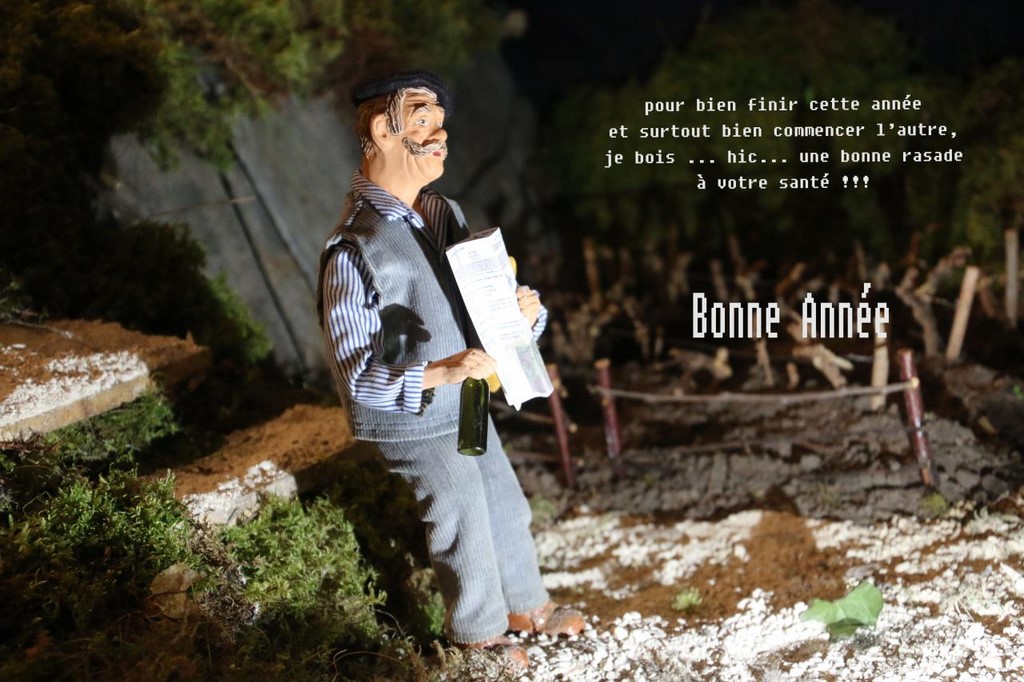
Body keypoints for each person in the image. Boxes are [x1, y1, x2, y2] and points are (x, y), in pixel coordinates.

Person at [315, 70, 583, 668]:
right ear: (383, 131)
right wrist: (440, 372)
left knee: (504, 501)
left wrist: (520, 315)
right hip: (412, 418)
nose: (440, 134)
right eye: (422, 120)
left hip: (464, 403)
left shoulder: (442, 213)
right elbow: (357, 376)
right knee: (460, 510)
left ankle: (526, 604)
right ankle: (477, 635)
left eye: (439, 121)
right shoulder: (354, 249)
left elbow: (476, 304)